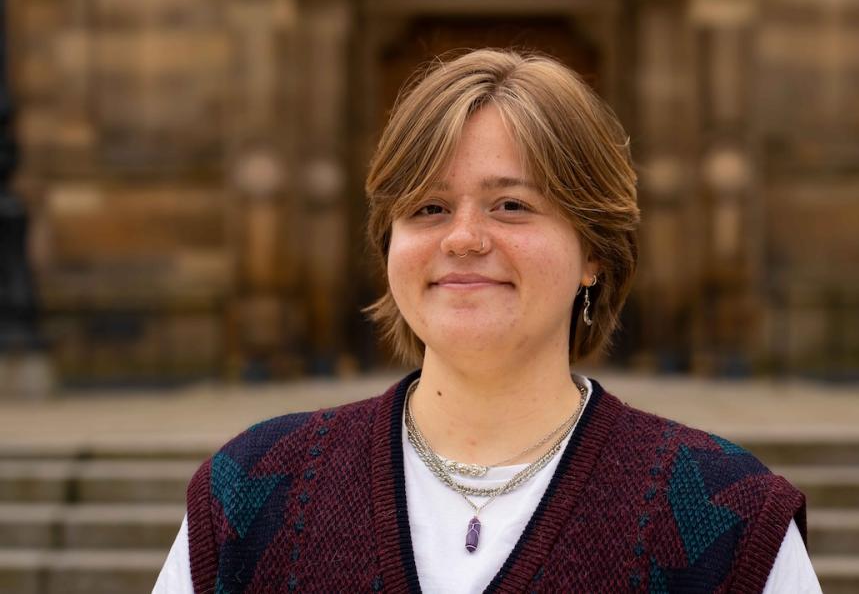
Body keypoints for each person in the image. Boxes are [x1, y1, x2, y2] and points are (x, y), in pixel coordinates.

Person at [154, 49, 821, 593]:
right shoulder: (250, 492)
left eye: (509, 205)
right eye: (429, 208)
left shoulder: (727, 516)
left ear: (594, 251)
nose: (464, 238)